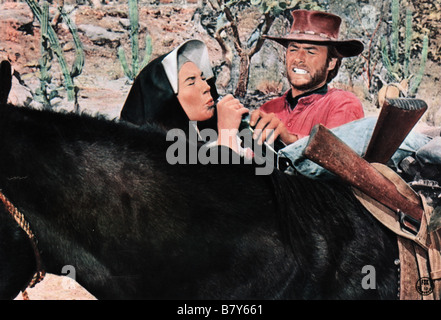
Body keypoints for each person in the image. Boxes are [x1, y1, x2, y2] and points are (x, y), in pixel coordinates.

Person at [249, 9, 365, 146]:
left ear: (331, 62)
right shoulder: (269, 108)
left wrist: (289, 140)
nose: (299, 59)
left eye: (310, 52)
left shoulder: (343, 104)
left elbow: (337, 157)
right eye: (293, 49)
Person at [120, 39, 249, 154]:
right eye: (191, 81)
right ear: (168, 100)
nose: (207, 87)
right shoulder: (156, 159)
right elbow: (221, 180)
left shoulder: (200, 141)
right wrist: (227, 135)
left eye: (203, 79)